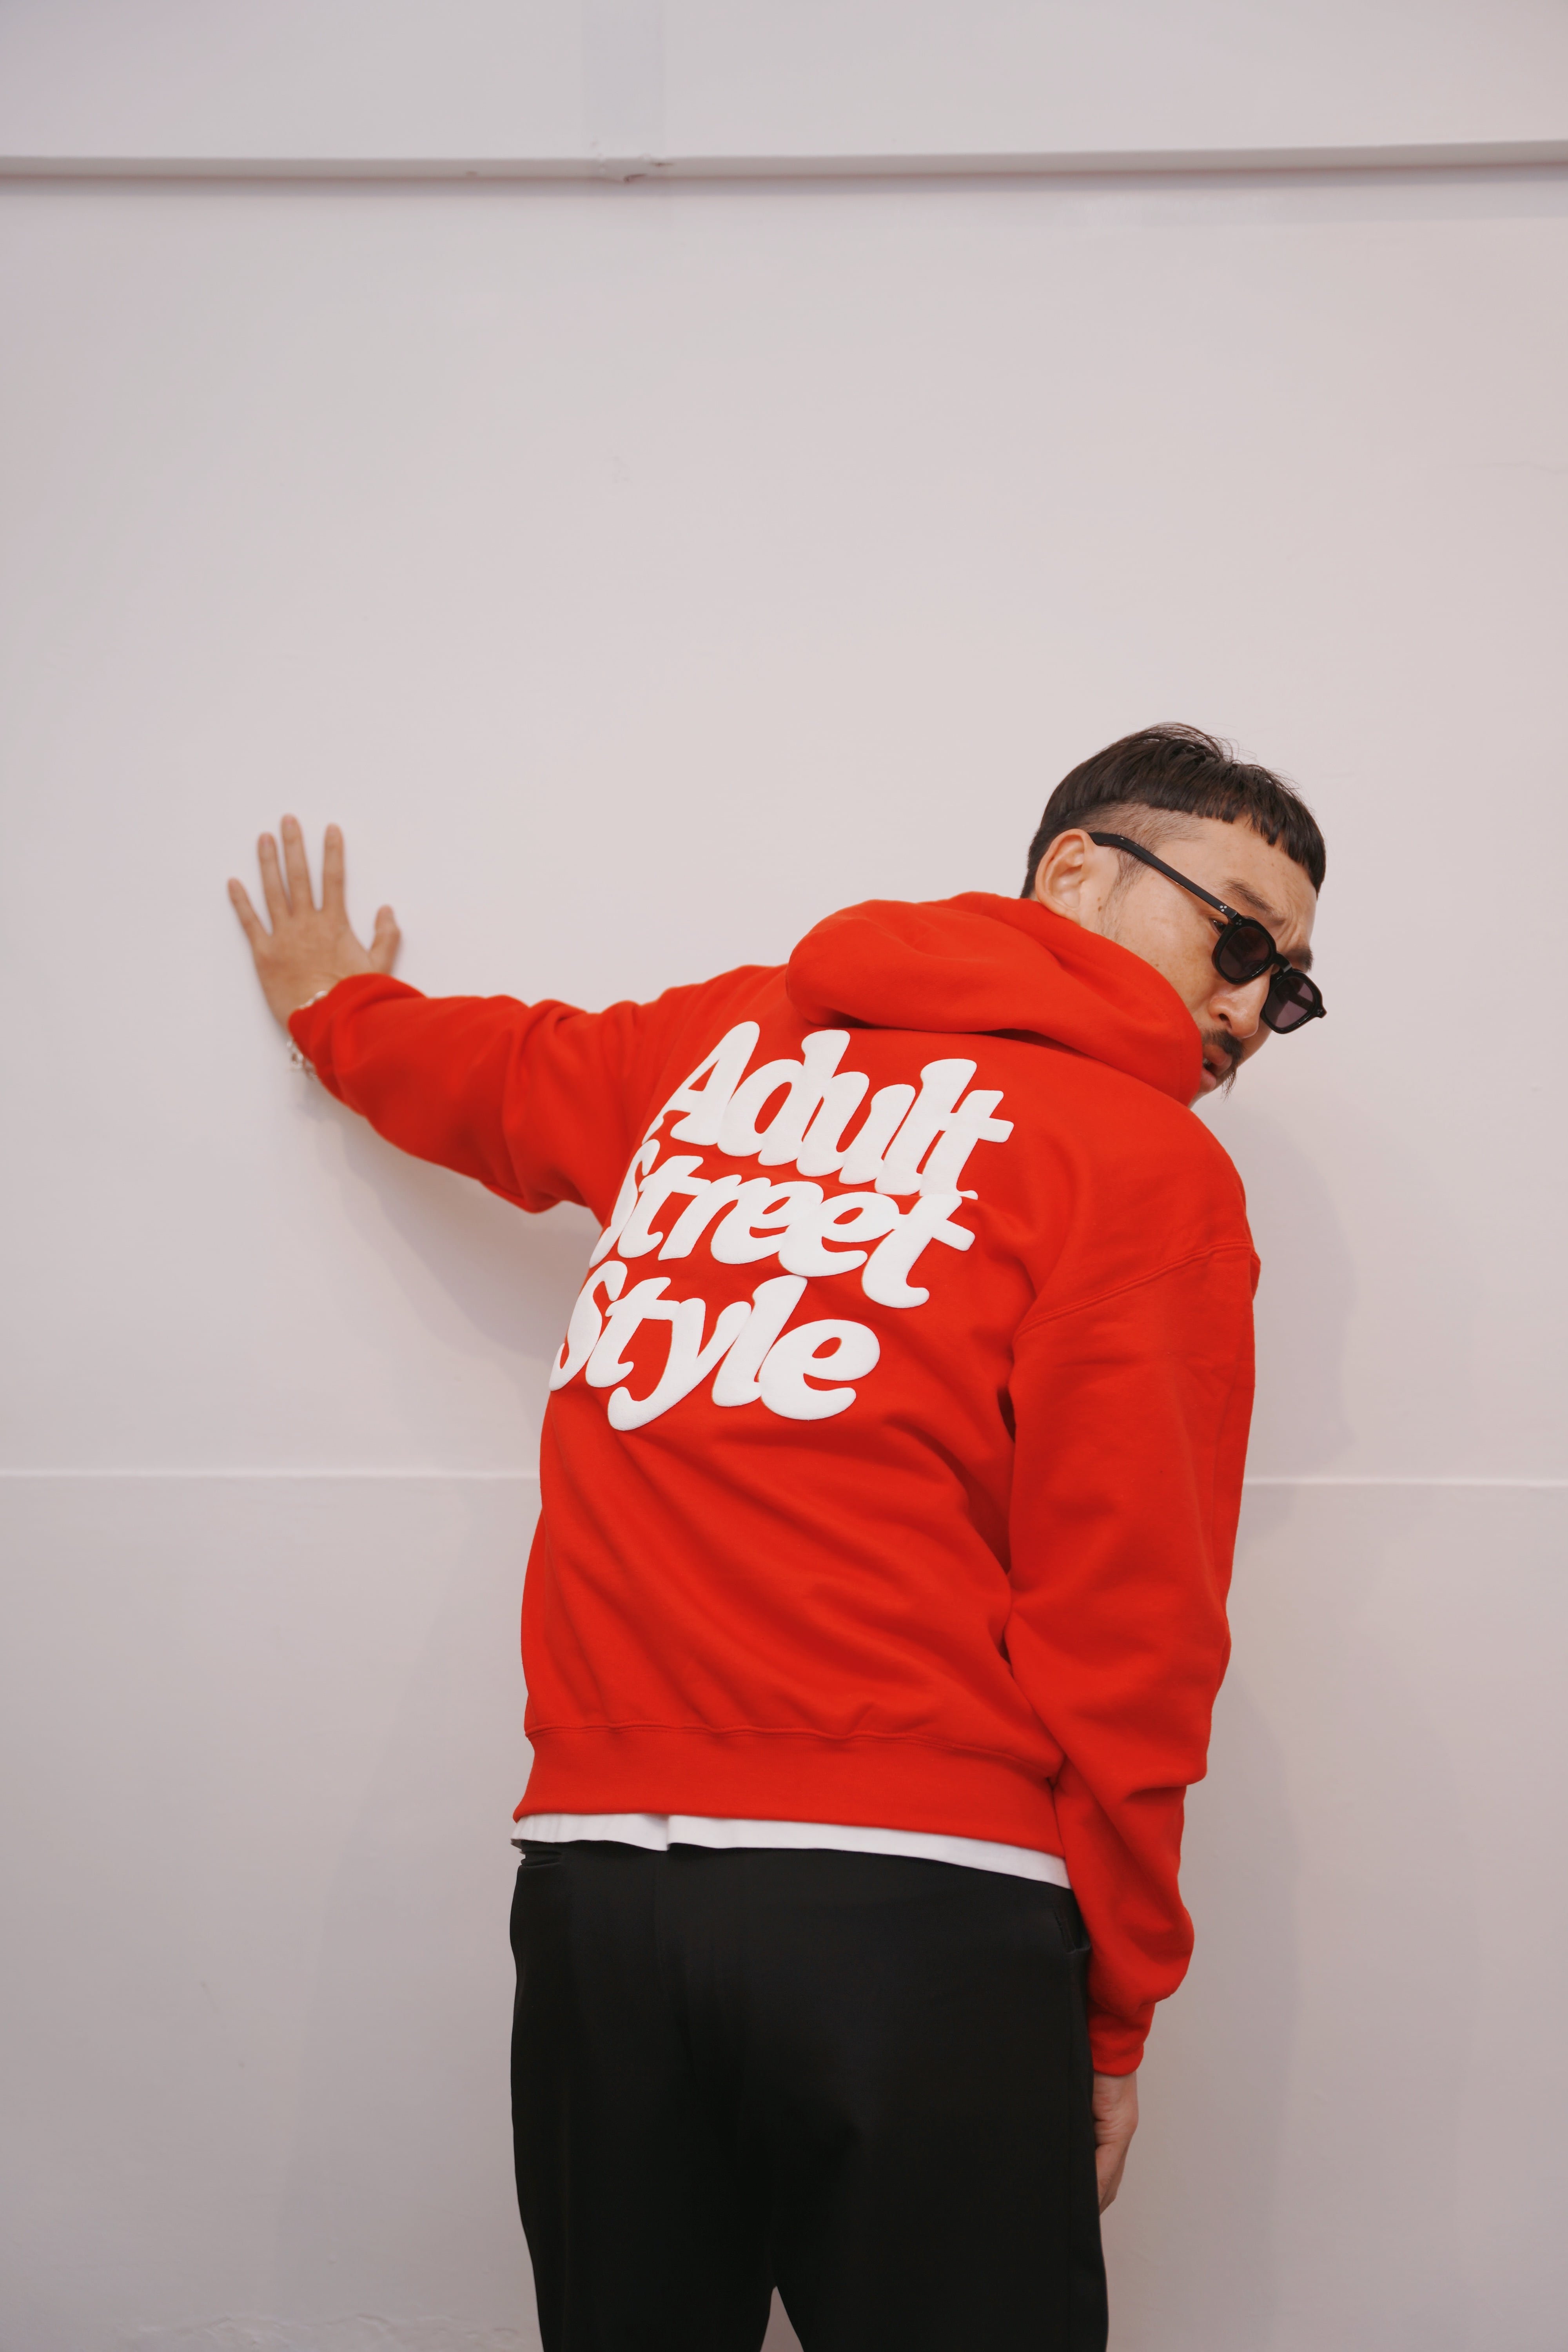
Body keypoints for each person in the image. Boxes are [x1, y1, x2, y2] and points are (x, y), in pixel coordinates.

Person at [229, 722, 1325, 2352]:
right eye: (1237, 939)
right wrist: (1111, 2019)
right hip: (909, 1919)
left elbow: (502, 1077)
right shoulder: (1139, 1166)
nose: (1247, 1007)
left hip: (607, 1910)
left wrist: (343, 1018)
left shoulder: (727, 1050)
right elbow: (1134, 1627)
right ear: (1076, 871)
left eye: (1287, 989)